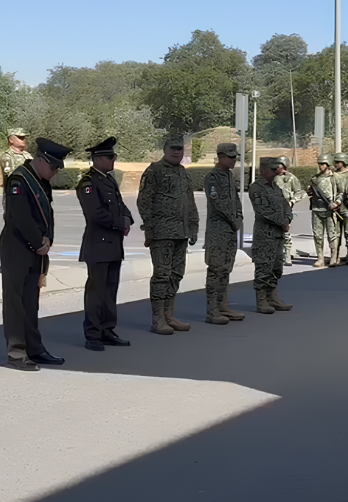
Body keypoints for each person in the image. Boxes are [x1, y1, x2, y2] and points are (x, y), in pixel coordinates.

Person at [0, 138, 71, 371]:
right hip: (17, 249)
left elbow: (47, 214)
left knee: (31, 304)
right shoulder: (19, 180)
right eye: (53, 167)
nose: (55, 172)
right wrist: (37, 242)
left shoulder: (41, 181)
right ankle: (17, 353)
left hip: (36, 250)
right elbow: (19, 216)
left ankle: (35, 348)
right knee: (15, 304)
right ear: (40, 160)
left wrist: (48, 238)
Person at [77, 137, 134, 349]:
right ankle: (92, 334)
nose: (113, 160)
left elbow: (119, 204)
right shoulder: (88, 183)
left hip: (112, 245)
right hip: (98, 244)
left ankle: (107, 329)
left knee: (110, 290)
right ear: (98, 158)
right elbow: (96, 214)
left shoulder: (108, 179)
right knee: (96, 292)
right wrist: (120, 223)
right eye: (110, 157)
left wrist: (128, 218)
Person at [137, 139, 199, 335]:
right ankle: (158, 319)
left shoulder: (183, 173)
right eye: (173, 149)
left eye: (179, 149)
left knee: (176, 274)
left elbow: (189, 201)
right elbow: (144, 201)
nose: (176, 152)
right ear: (164, 150)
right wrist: (149, 228)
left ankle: (169, 315)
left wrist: (193, 226)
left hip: (181, 233)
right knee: (162, 275)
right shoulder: (154, 171)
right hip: (162, 233)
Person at [203, 142, 245, 324]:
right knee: (216, 269)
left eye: (235, 157)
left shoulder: (229, 176)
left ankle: (223, 304)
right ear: (221, 157)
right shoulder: (213, 177)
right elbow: (217, 203)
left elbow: (236, 201)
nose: (234, 160)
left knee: (226, 269)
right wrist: (233, 219)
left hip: (229, 230)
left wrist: (239, 217)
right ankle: (212, 310)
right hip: (218, 229)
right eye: (231, 157)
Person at [249, 158, 294, 313]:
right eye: (272, 169)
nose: (276, 172)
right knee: (264, 267)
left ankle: (273, 297)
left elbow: (286, 205)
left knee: (276, 267)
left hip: (278, 234)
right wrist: (282, 221)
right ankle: (262, 300)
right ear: (263, 171)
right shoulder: (256, 188)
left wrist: (288, 218)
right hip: (265, 235)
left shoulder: (276, 187)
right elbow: (262, 210)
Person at [308, 154, 340, 267]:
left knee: (332, 235)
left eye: (323, 164)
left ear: (328, 165)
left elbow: (340, 192)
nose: (321, 166)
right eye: (320, 164)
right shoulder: (315, 178)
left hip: (330, 210)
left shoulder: (334, 178)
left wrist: (336, 203)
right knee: (318, 235)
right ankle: (320, 258)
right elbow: (309, 191)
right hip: (317, 209)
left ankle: (333, 257)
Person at [275, 157, 306, 266]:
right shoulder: (271, 177)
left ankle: (287, 256)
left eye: (280, 165)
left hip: (285, 208)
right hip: (272, 208)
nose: (278, 168)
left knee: (285, 231)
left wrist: (292, 202)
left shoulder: (291, 179)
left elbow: (300, 193)